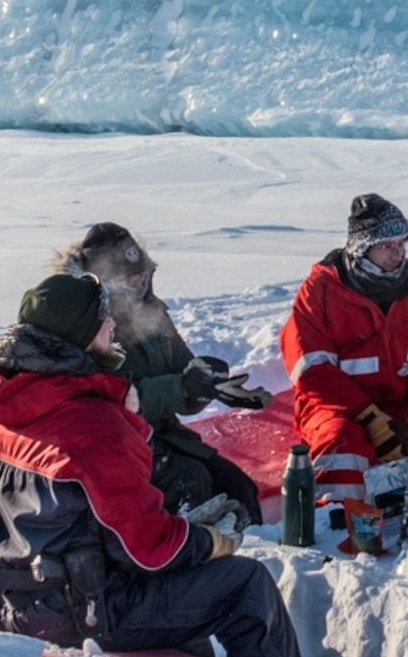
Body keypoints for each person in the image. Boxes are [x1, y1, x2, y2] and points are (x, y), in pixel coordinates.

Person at [0, 273, 310, 657]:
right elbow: (150, 552)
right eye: (103, 320)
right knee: (245, 585)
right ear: (80, 335)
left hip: (16, 604)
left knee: (183, 590)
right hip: (77, 614)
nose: (114, 327)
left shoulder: (16, 402)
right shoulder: (92, 425)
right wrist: (207, 539)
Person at [278, 193, 408, 522]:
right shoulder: (319, 293)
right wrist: (369, 418)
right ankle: (338, 525)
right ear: (361, 248)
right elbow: (312, 372)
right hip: (338, 407)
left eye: (401, 243)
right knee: (341, 447)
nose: (398, 253)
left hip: (403, 401)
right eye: (386, 245)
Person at [53, 222, 268, 522]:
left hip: (163, 439)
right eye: (131, 281)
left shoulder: (152, 313)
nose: (140, 286)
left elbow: (184, 367)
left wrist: (211, 383)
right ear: (105, 284)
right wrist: (182, 388)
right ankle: (181, 558)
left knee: (237, 486)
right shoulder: (86, 326)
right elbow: (111, 399)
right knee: (191, 483)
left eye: (143, 276)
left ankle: (256, 560)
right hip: (113, 448)